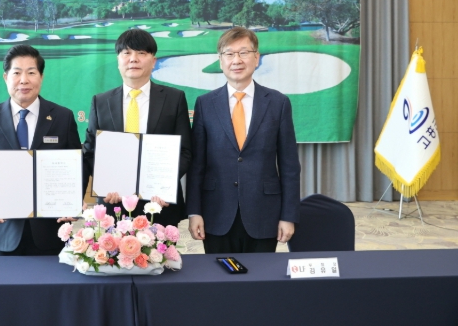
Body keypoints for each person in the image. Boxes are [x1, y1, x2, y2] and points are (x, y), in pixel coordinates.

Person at [186, 26, 300, 253]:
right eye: (229, 54)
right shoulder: (205, 104)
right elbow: (197, 165)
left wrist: (288, 215)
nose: (236, 60)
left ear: (256, 58)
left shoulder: (278, 103)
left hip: (264, 213)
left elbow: (289, 166)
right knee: (220, 274)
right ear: (220, 61)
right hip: (216, 213)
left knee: (262, 275)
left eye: (244, 53)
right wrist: (194, 212)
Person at [0, 44, 82, 256]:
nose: (24, 80)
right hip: (4, 229)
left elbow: (76, 168)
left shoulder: (63, 117)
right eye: (16, 73)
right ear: (6, 77)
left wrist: (73, 200)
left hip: (51, 231)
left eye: (31, 72)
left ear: (41, 77)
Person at [83, 29, 191, 227]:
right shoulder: (101, 102)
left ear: (153, 61)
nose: (133, 59)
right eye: (127, 53)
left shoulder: (174, 99)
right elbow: (90, 151)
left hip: (160, 204)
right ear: (118, 60)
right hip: (113, 205)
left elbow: (185, 151)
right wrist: (105, 184)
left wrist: (164, 185)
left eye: (141, 53)